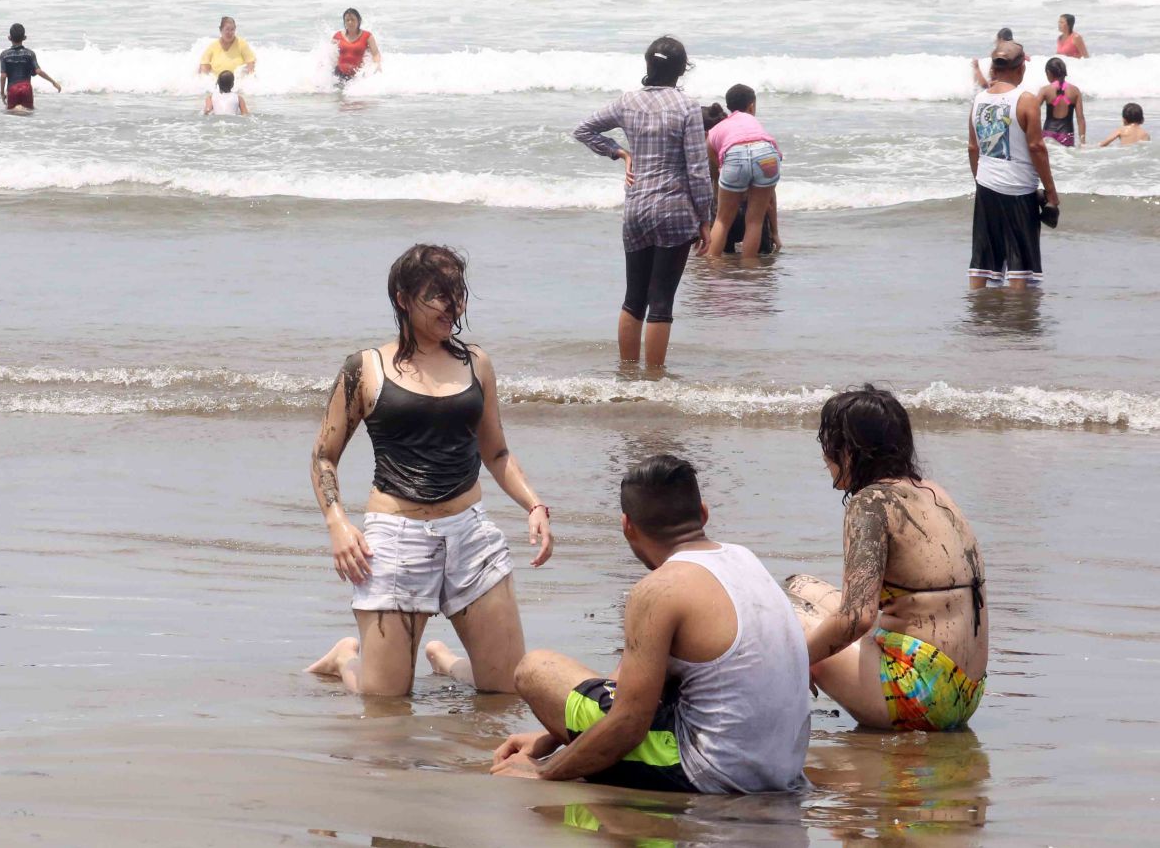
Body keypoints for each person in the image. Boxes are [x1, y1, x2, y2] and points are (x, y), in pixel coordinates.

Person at [304, 244, 553, 697]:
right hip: (395, 537)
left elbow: (496, 453)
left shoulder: (476, 363)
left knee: (507, 690)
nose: (451, 304)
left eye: (457, 292)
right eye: (437, 293)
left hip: (469, 534)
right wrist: (337, 525)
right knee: (386, 700)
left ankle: (445, 661)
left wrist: (534, 504)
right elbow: (324, 455)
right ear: (403, 298)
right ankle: (346, 658)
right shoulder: (366, 369)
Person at [491, 455, 810, 793]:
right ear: (703, 512)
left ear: (627, 525)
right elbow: (633, 682)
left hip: (711, 773)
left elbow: (629, 723)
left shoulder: (658, 590)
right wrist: (551, 736)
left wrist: (545, 772)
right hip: (780, 768)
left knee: (536, 669)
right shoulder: (743, 558)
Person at [786, 386, 988, 732]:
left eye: (828, 444)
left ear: (850, 450)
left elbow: (857, 619)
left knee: (786, 615)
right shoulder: (933, 492)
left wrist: (792, 663)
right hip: (966, 692)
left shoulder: (871, 503)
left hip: (919, 697)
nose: (824, 455)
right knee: (798, 586)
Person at [573, 36, 714, 368]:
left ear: (649, 65)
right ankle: (653, 381)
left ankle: (626, 372)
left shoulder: (627, 102)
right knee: (661, 302)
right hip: (675, 210)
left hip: (636, 208)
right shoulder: (687, 106)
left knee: (633, 299)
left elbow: (583, 130)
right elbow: (696, 167)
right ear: (681, 71)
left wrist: (620, 153)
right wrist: (706, 218)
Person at [967, 42, 1059, 289]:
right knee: (1020, 261)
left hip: (986, 187)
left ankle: (976, 308)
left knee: (982, 256)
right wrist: (1051, 191)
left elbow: (973, 148)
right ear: (1020, 68)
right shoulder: (1026, 100)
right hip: (1018, 188)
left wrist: (981, 180)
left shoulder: (979, 100)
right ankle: (1017, 318)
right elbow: (1037, 148)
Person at [706, 84, 782, 257]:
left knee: (722, 220)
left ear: (728, 107)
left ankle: (711, 268)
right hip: (767, 153)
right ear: (751, 106)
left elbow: (714, 159)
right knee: (755, 220)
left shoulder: (717, 129)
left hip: (734, 155)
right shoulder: (756, 124)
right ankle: (750, 269)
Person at [0, 23, 62, 110]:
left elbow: (3, 76)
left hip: (12, 89)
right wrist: (53, 82)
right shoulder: (30, 53)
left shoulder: (4, 55)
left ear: (9, 38)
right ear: (25, 38)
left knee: (11, 114)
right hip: (26, 88)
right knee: (29, 113)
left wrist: (2, 93)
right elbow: (38, 71)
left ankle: (18, 112)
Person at [1035, 58, 1085, 147]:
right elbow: (1080, 119)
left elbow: (1032, 111)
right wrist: (1082, 142)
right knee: (1065, 160)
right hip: (1067, 136)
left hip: (1048, 135)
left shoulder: (1045, 90)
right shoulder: (1075, 91)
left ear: (1048, 73)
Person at [332, 8, 381, 83]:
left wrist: (377, 66)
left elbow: (375, 53)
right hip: (338, 75)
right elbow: (329, 54)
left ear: (359, 21)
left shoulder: (367, 36)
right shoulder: (337, 36)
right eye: (347, 20)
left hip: (357, 77)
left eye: (353, 19)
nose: (350, 22)